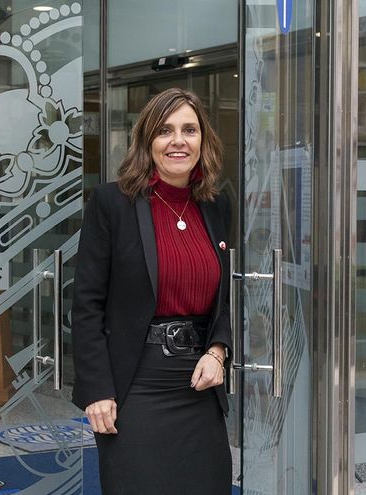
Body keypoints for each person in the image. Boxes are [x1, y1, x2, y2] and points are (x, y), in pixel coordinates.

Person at [71, 88, 232, 494]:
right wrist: (98, 390)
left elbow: (226, 294)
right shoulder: (112, 203)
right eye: (165, 131)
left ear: (203, 141)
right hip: (134, 388)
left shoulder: (215, 205)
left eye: (189, 130)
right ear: (147, 142)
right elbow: (87, 303)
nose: (178, 140)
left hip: (199, 388)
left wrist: (218, 349)